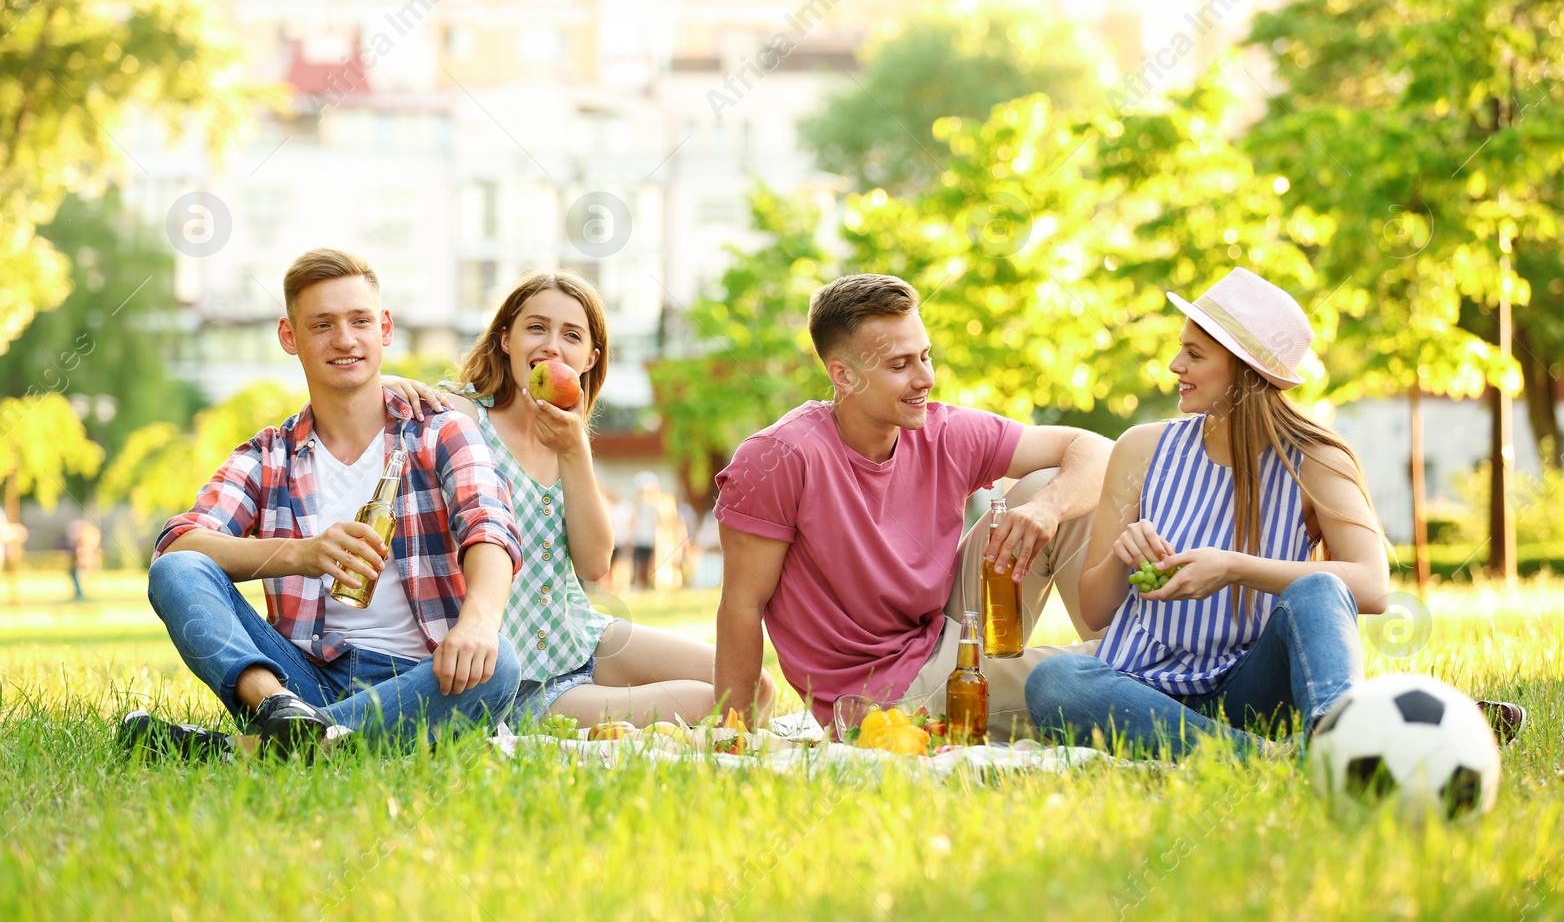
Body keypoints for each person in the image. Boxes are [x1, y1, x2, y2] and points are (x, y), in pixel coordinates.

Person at [1025, 267, 1524, 757]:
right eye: (1181, 348)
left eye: (1194, 354)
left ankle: (1334, 731)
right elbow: (1094, 615)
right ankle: (1301, 753)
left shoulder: (1317, 459)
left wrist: (1232, 568)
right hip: (1146, 692)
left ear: (1246, 370)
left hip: (1255, 691)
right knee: (1053, 683)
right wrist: (1120, 555)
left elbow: (1370, 586)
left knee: (1322, 586)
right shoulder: (1140, 449)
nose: (1175, 365)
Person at [119, 248, 524, 762]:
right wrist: (302, 554)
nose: (345, 340)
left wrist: (479, 622)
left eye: (359, 321)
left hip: (425, 679)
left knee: (501, 663)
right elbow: (181, 544)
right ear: (290, 337)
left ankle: (245, 751)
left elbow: (489, 526)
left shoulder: (440, 430)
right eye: (322, 325)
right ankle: (284, 720)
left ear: (385, 329)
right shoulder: (268, 455)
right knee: (177, 570)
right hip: (297, 678)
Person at [712, 274, 1113, 737]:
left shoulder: (943, 431)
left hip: (941, 630)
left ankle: (1130, 655)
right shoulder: (779, 457)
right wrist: (731, 736)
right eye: (900, 365)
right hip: (881, 696)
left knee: (1055, 484)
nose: (925, 378)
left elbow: (1097, 449)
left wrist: (1048, 508)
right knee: (1080, 673)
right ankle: (1147, 674)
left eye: (925, 356)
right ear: (844, 375)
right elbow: (741, 605)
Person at [389, 271, 773, 728]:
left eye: (571, 335)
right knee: (711, 705)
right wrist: (387, 381)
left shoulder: (568, 442)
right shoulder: (462, 417)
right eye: (536, 327)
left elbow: (593, 565)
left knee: (755, 688)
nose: (552, 345)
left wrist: (575, 451)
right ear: (506, 338)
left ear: (590, 359)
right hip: (520, 679)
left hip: (582, 636)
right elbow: (372, 403)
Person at [64, 517, 102, 602]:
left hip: (82, 563)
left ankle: (80, 593)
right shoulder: (86, 538)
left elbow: (83, 553)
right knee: (76, 575)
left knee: (78, 575)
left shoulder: (84, 539)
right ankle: (79, 593)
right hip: (80, 563)